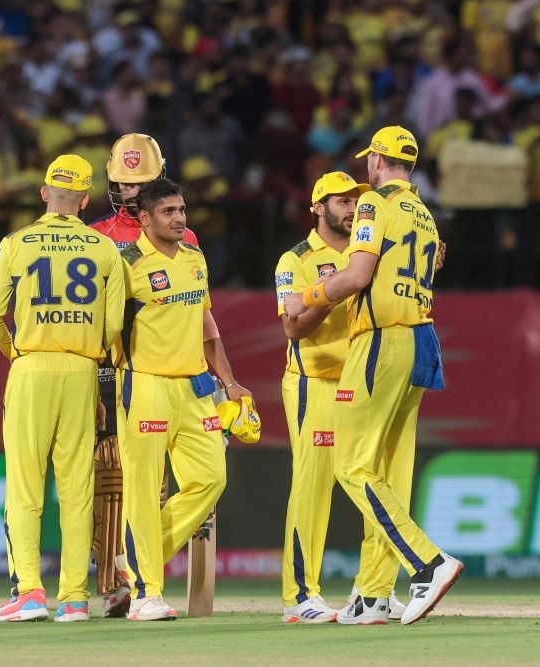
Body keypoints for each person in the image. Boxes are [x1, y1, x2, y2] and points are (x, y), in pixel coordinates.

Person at [283, 126, 458, 626]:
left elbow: (358, 276)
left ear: (378, 162)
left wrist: (310, 296)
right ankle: (374, 594)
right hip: (422, 338)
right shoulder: (424, 214)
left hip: (381, 338)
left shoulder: (374, 204)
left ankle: (428, 562)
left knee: (351, 466)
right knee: (386, 469)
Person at [0, 155, 125, 622]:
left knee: (24, 487)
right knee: (78, 489)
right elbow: (116, 324)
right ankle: (76, 599)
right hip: (83, 371)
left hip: (31, 369)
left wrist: (18, 353)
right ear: (86, 200)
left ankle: (29, 593)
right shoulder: (105, 251)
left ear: (45, 193)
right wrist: (88, 355)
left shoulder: (16, 243)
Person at [277, 171, 412, 624]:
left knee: (372, 482)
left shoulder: (366, 252)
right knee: (313, 487)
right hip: (315, 381)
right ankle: (300, 596)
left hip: (364, 381)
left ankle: (374, 589)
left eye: (356, 200)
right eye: (340, 201)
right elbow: (292, 327)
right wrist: (337, 291)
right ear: (317, 207)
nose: (352, 208)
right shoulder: (294, 260)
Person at [113, 178, 251, 621]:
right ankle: (146, 592)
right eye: (168, 211)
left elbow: (206, 324)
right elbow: (106, 331)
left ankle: (135, 560)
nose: (179, 218)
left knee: (212, 480)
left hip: (195, 388)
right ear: (145, 217)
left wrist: (228, 381)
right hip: (145, 384)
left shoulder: (195, 258)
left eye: (182, 210)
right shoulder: (126, 264)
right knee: (142, 491)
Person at [87, 133, 200, 618]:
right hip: (106, 370)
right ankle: (94, 580)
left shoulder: (184, 237)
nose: (131, 193)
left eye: (141, 184)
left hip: (168, 374)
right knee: (106, 479)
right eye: (123, 184)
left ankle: (127, 576)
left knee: (150, 484)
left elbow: (196, 311)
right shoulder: (95, 236)